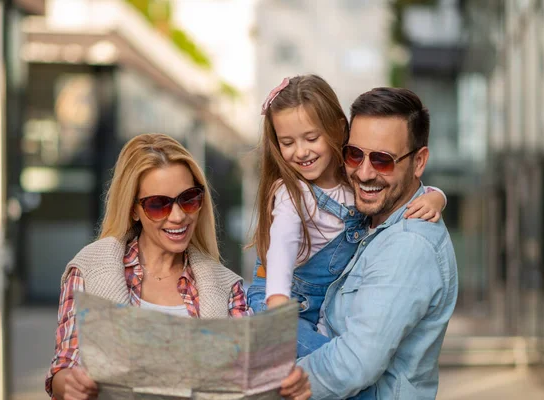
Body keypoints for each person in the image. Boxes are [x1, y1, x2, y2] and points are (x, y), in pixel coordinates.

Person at [45, 133, 310, 400]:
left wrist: (287, 384)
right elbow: (64, 367)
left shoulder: (227, 287)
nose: (179, 216)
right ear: (133, 209)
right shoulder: (89, 269)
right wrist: (72, 385)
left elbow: (248, 378)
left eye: (189, 199)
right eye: (158, 205)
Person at [246, 75, 447, 357]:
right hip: (280, 307)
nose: (301, 151)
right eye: (287, 142)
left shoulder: (351, 178)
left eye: (311, 138)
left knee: (339, 364)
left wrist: (436, 197)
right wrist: (278, 311)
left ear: (338, 129)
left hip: (315, 312)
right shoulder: (293, 195)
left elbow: (414, 188)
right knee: (338, 366)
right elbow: (281, 248)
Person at [296, 87, 458, 399]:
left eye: (382, 160)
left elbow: (354, 365)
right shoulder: (372, 218)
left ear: (419, 161)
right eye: (354, 154)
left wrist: (269, 386)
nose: (364, 172)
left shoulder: (408, 246)